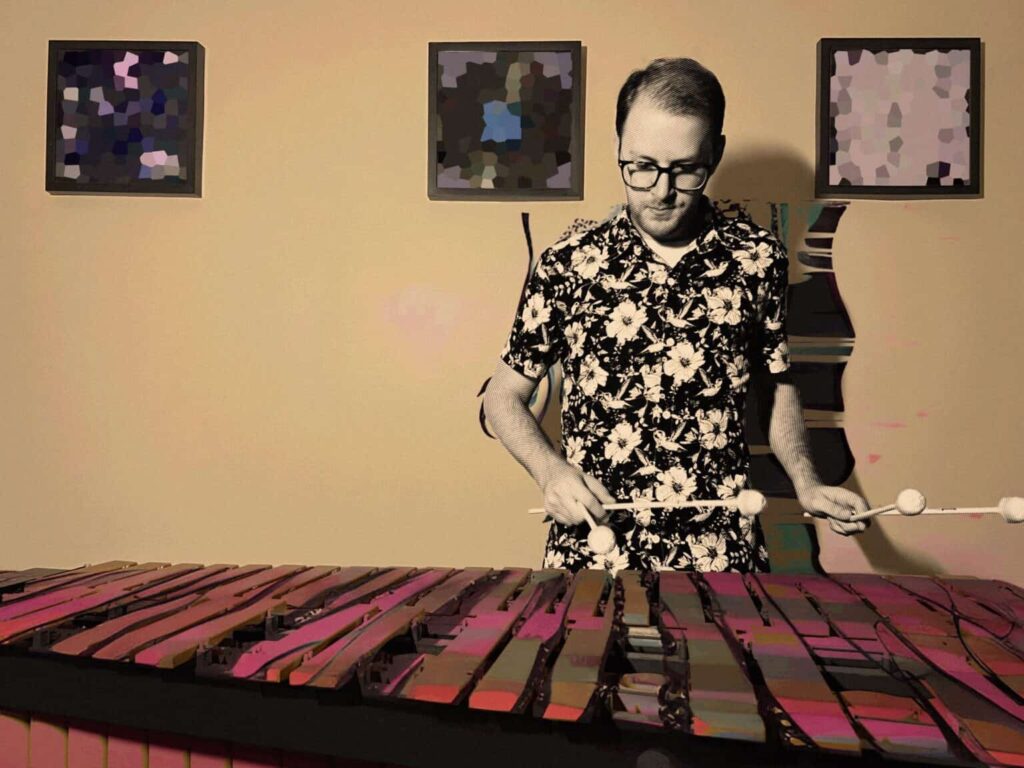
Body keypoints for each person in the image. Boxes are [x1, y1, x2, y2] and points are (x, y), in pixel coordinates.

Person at [483, 57, 868, 574]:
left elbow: (775, 383)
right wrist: (550, 472)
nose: (661, 191)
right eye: (641, 166)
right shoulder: (568, 263)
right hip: (593, 552)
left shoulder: (758, 259)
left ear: (716, 154)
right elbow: (502, 396)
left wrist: (808, 482)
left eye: (686, 169)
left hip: (723, 553)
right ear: (618, 146)